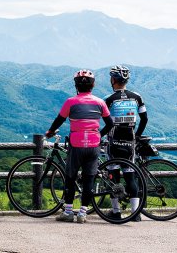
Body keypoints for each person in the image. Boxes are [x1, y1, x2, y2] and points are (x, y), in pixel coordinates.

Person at [45, 69, 113, 223]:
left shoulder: (71, 102)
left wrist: (50, 132)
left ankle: (68, 212)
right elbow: (110, 124)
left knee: (70, 178)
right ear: (93, 85)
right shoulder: (100, 102)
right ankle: (82, 214)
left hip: (76, 145)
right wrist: (98, 135)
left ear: (75, 85)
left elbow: (59, 119)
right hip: (93, 146)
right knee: (89, 179)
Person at [101, 64, 148, 221]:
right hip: (130, 141)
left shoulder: (109, 100)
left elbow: (107, 124)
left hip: (113, 142)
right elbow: (144, 119)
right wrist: (137, 135)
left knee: (113, 176)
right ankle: (135, 214)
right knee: (130, 176)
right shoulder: (137, 97)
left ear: (113, 79)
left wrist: (98, 136)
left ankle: (116, 212)